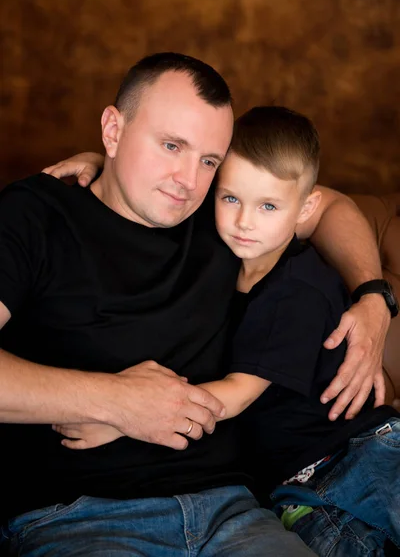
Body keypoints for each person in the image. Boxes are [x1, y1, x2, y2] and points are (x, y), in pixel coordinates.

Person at [0, 53, 390, 555]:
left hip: (230, 510)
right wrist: (115, 401)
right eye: (170, 146)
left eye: (209, 159)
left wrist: (374, 297)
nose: (188, 179)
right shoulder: (33, 216)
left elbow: (328, 205)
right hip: (76, 516)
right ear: (112, 130)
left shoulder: (226, 213)